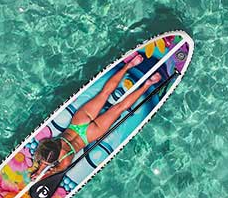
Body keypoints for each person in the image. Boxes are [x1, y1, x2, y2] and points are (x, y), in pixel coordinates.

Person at [30, 52, 163, 184]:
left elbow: (52, 169)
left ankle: (148, 84)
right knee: (105, 94)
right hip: (77, 124)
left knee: (120, 108)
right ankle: (129, 65)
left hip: (89, 135)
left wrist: (41, 174)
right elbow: (47, 155)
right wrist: (40, 167)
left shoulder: (64, 161)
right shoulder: (50, 143)